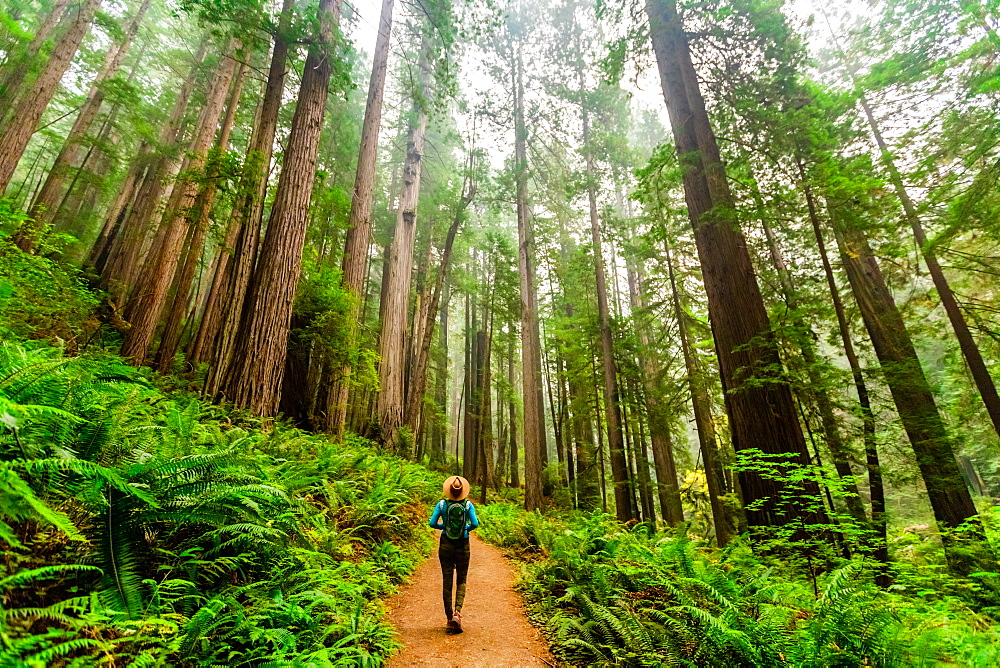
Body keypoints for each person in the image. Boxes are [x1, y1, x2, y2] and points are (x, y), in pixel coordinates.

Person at [428, 475, 479, 633]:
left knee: (447, 580)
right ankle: (458, 612)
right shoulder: (468, 505)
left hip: (446, 544)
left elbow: (431, 523)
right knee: (462, 579)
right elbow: (475, 524)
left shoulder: (442, 504)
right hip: (463, 544)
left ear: (449, 490)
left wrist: (443, 527)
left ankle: (449, 617)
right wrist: (466, 529)